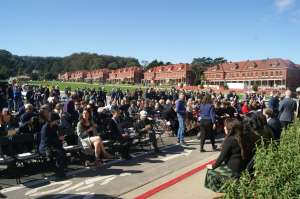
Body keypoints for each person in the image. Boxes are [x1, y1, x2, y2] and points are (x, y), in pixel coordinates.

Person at [205, 118, 250, 194]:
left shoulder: (230, 140)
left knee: (210, 172)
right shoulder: (243, 136)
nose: (224, 127)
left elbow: (221, 158)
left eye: (225, 126)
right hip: (242, 165)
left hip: (233, 169)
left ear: (229, 128)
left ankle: (221, 191)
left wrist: (213, 166)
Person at [39, 112, 66, 178]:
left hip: (53, 146)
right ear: (52, 120)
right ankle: (60, 172)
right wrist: (58, 138)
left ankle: (60, 170)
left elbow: (56, 138)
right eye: (57, 120)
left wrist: (61, 139)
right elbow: (47, 141)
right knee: (59, 153)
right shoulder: (45, 128)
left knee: (62, 151)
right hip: (45, 147)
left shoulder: (55, 126)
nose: (58, 122)